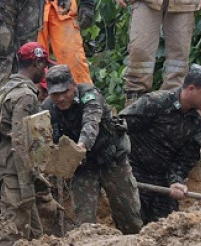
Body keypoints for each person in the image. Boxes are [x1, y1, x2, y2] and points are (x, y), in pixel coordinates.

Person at [42, 65, 142, 234]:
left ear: (74, 86)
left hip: (112, 162)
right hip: (83, 169)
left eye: (65, 92)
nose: (60, 98)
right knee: (84, 224)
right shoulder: (47, 108)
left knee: (129, 218)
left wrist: (80, 147)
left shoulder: (90, 95)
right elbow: (41, 137)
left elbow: (91, 123)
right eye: (55, 94)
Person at [121, 64, 201, 224]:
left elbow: (185, 159)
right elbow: (120, 127)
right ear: (191, 89)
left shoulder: (196, 124)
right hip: (134, 175)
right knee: (131, 229)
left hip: (163, 182)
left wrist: (176, 181)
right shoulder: (155, 103)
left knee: (169, 228)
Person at [0, 42, 51, 245]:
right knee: (14, 231)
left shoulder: (6, 89)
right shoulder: (26, 96)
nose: (44, 71)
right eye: (44, 65)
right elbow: (21, 142)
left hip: (1, 165)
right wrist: (26, 186)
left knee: (36, 232)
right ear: (36, 63)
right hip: (13, 171)